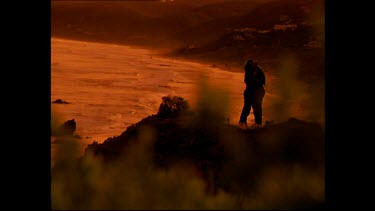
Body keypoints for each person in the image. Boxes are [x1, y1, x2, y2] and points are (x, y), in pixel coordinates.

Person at [239, 59, 266, 128]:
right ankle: (243, 122)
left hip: (257, 91)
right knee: (247, 107)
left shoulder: (257, 71)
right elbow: (248, 81)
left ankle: (257, 123)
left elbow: (261, 81)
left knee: (256, 107)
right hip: (251, 91)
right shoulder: (249, 71)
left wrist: (256, 80)